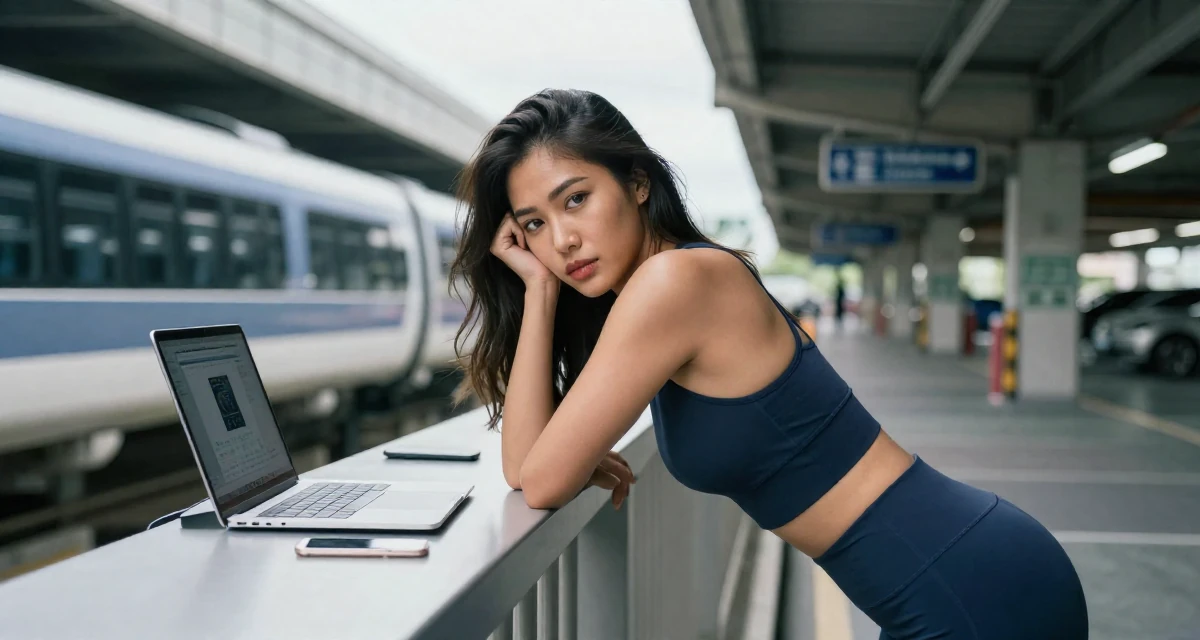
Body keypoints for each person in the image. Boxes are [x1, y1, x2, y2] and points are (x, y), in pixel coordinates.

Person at [448, 89, 1088, 639]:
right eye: (534, 224)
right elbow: (525, 468)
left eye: (575, 200)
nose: (561, 240)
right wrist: (539, 289)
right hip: (942, 580)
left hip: (968, 584)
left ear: (638, 183)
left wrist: (562, 455)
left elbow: (543, 481)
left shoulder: (674, 282)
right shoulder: (662, 285)